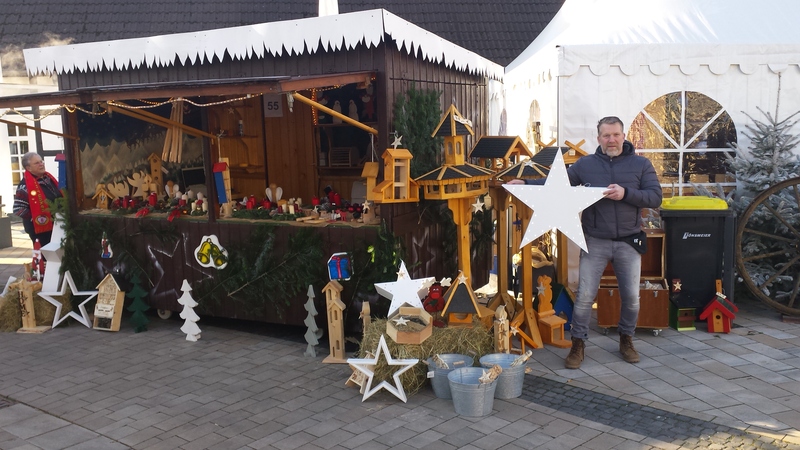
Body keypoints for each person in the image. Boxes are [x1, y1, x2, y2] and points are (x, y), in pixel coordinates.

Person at [510, 116, 662, 369]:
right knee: (583, 298)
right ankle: (578, 344)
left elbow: (655, 197)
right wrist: (526, 183)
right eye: (606, 135)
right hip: (595, 241)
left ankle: (626, 339)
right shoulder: (586, 164)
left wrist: (626, 193)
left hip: (629, 242)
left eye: (616, 134)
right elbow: (556, 187)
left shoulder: (641, 164)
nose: (611, 140)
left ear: (624, 136)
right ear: (598, 137)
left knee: (631, 298)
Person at [13, 151, 63, 246]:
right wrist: (37, 218)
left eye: (41, 161)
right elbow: (18, 209)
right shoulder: (25, 186)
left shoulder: (48, 179)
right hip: (40, 231)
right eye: (37, 163)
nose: (41, 164)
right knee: (45, 254)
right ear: (28, 168)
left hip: (58, 225)